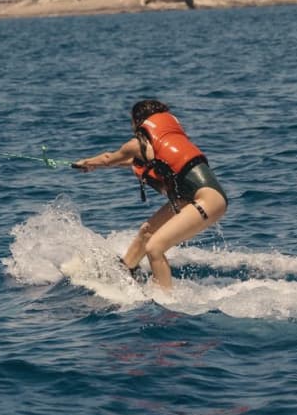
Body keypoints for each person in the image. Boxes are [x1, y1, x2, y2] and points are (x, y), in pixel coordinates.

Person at [71, 98, 228, 290]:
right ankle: (125, 271)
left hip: (208, 200)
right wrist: (93, 165)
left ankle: (165, 302)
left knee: (155, 248)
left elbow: (108, 158)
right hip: (196, 197)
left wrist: (85, 161)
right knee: (146, 232)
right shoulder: (161, 141)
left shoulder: (136, 144)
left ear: (137, 121)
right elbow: (131, 162)